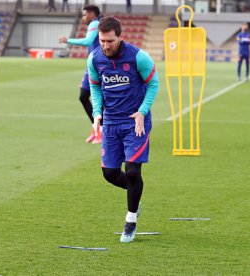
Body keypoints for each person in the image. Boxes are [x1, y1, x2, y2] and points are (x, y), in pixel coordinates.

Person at [87, 17, 159, 243]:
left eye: (110, 41)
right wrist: (97, 113)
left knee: (133, 172)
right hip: (111, 123)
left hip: (135, 122)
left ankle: (130, 220)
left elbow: (154, 84)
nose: (106, 46)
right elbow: (95, 87)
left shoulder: (139, 57)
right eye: (102, 41)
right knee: (109, 174)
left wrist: (142, 111)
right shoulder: (94, 58)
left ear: (120, 37)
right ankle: (134, 197)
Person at [59, 5, 102, 144]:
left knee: (96, 99)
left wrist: (68, 40)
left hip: (99, 66)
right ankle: (96, 128)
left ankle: (102, 130)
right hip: (91, 66)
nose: (83, 18)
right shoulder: (95, 24)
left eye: (84, 15)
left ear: (91, 13)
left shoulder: (95, 23)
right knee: (83, 96)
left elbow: (87, 41)